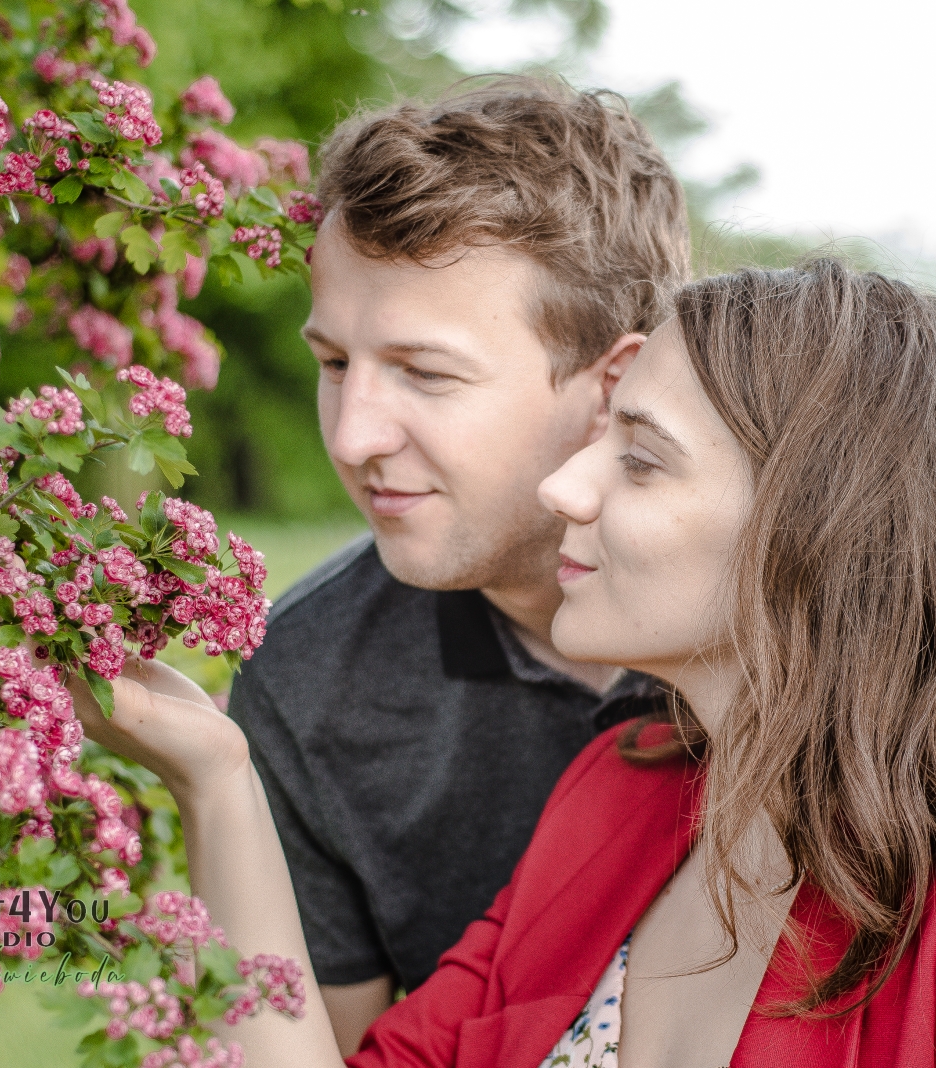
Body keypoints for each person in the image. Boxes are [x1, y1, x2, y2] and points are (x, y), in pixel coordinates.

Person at [74, 259, 936, 1067]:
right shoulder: (625, 792)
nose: (562, 489)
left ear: (812, 529)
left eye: (638, 461)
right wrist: (215, 780)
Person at [223, 77, 690, 1050]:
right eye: (335, 363)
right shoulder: (306, 682)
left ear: (614, 386)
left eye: (424, 373)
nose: (351, 438)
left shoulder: (810, 625)